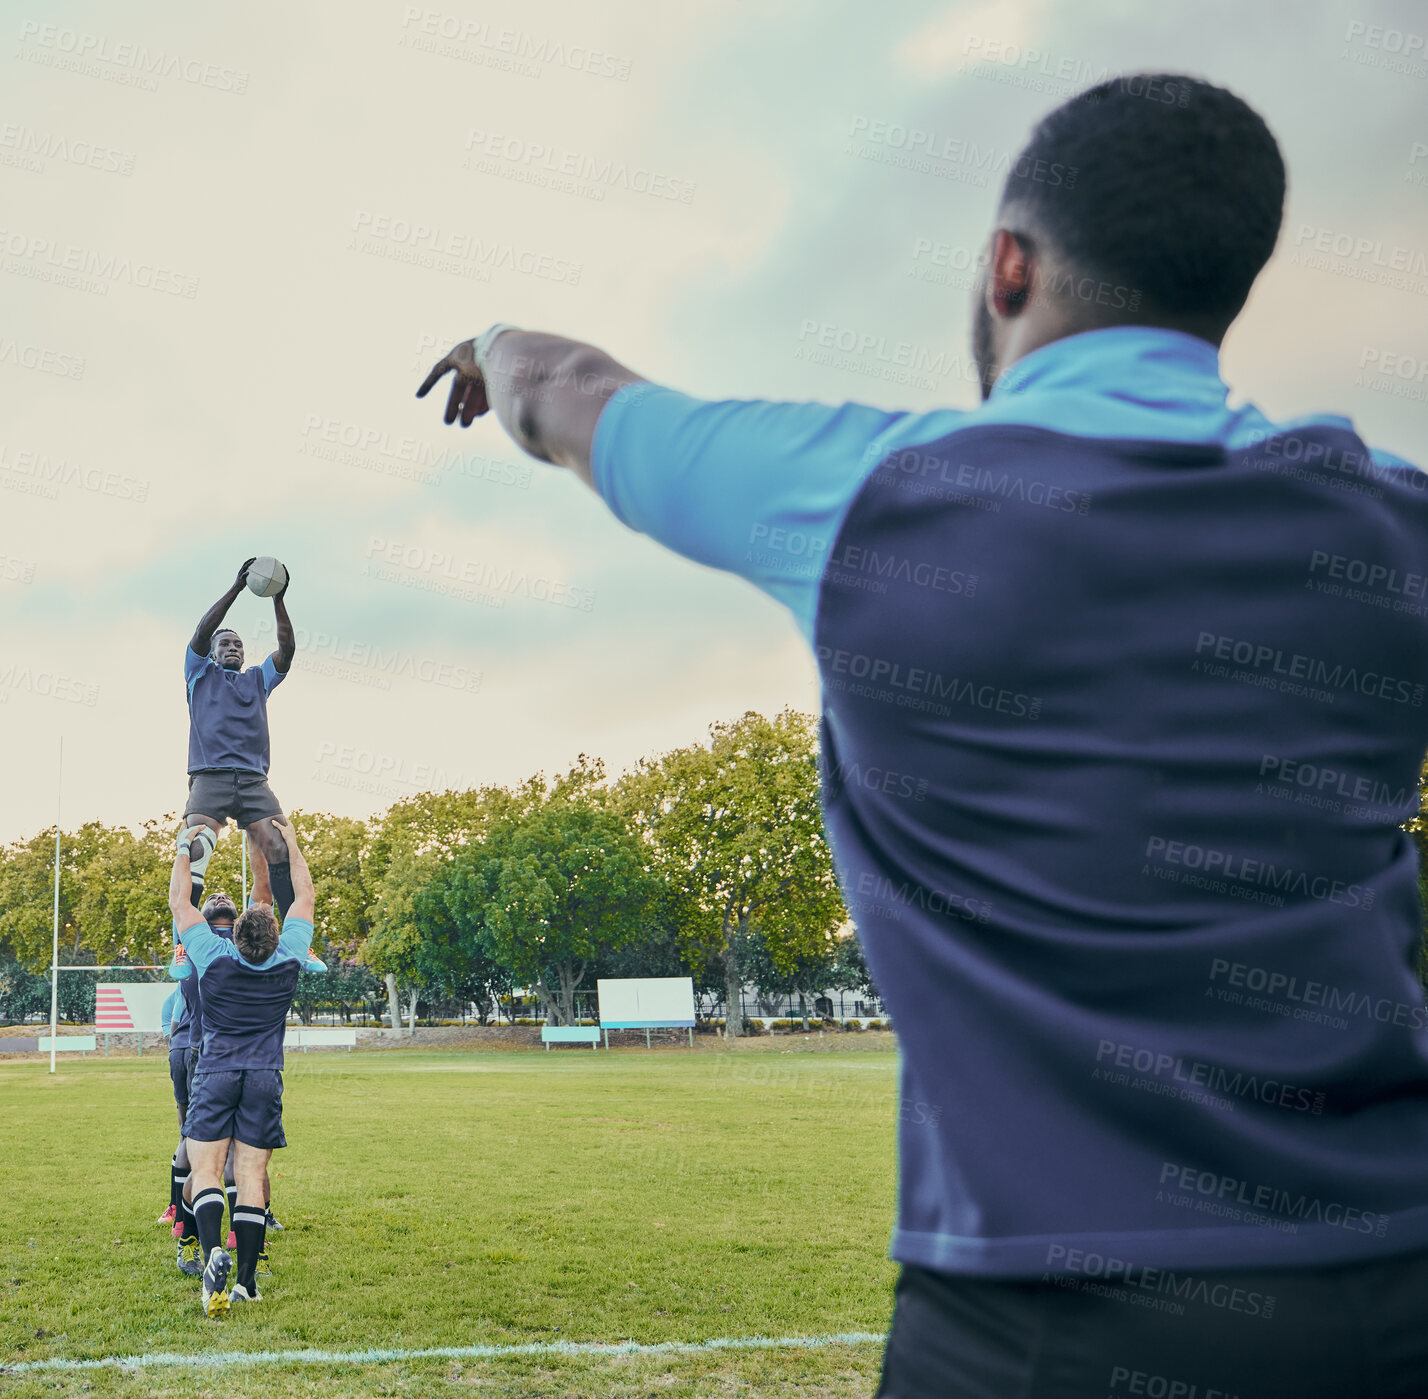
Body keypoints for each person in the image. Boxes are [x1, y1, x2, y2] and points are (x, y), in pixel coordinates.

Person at [416, 75, 1428, 1397]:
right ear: (1225, 287)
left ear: (1009, 263)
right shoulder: (1390, 528)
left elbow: (565, 388)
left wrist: (492, 340)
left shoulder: (869, 497)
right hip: (1389, 1294)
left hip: (1037, 1319)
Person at [169, 815, 314, 1317]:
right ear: (277, 936)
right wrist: (287, 841)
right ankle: (246, 1283)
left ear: (234, 937)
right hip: (264, 1078)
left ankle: (212, 1252)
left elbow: (180, 903)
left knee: (207, 1170)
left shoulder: (213, 953)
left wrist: (186, 847)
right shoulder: (290, 955)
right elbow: (302, 896)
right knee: (250, 1175)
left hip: (214, 1072)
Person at [180, 558, 297, 918]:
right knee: (195, 847)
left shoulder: (258, 679)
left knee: (280, 847)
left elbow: (287, 650)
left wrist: (278, 598)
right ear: (212, 653)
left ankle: (294, 938)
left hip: (252, 781)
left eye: (239, 645)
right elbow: (202, 632)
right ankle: (183, 943)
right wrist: (238, 588)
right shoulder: (199, 673)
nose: (233, 648)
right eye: (225, 644)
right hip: (210, 776)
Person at [158, 984, 190, 1226]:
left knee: (186, 1134)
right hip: (194, 1053)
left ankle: (177, 1210)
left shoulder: (184, 984)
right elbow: (173, 1023)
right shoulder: (194, 982)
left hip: (181, 1051)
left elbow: (172, 1024)